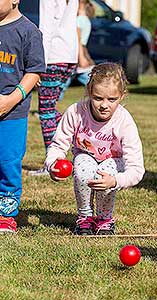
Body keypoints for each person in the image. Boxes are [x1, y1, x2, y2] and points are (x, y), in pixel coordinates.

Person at [45, 62, 145, 235]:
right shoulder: (76, 112)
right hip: (86, 156)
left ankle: (104, 219)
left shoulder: (124, 122)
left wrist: (115, 181)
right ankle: (85, 217)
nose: (104, 105)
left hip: (113, 162)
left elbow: (136, 169)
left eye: (112, 99)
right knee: (83, 166)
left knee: (105, 171)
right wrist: (53, 163)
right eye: (98, 98)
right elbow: (58, 144)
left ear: (122, 96)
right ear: (89, 92)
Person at [0, 0, 45, 232]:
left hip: (12, 112)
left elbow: (34, 72)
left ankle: (5, 214)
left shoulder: (29, 31)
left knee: (7, 162)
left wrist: (10, 99)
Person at [29, 0, 79, 176]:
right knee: (52, 110)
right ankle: (78, 134)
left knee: (46, 112)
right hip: (69, 57)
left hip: (52, 58)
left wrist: (38, 63)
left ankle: (52, 162)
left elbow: (46, 28)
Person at [58, 0, 95, 101]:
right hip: (80, 53)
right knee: (63, 83)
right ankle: (51, 106)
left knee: (93, 82)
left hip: (77, 54)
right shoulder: (86, 20)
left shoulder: (77, 21)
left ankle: (50, 106)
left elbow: (78, 40)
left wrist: (81, 57)